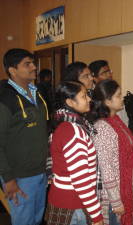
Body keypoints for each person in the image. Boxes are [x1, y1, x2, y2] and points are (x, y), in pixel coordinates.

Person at [0, 48, 49, 225]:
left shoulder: (37, 93)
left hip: (39, 172)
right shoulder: (5, 99)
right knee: (23, 221)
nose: (34, 67)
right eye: (27, 64)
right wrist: (8, 179)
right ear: (13, 70)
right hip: (19, 177)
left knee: (36, 219)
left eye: (33, 63)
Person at [45, 81, 103, 225]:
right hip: (73, 206)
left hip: (65, 200)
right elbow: (81, 180)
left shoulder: (65, 124)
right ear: (70, 102)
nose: (89, 99)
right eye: (84, 96)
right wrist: (97, 216)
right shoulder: (73, 130)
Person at [90, 79, 133, 225]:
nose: (122, 97)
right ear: (107, 102)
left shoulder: (116, 120)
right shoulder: (103, 127)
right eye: (118, 95)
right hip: (112, 196)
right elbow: (107, 168)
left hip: (122, 187)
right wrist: (116, 201)